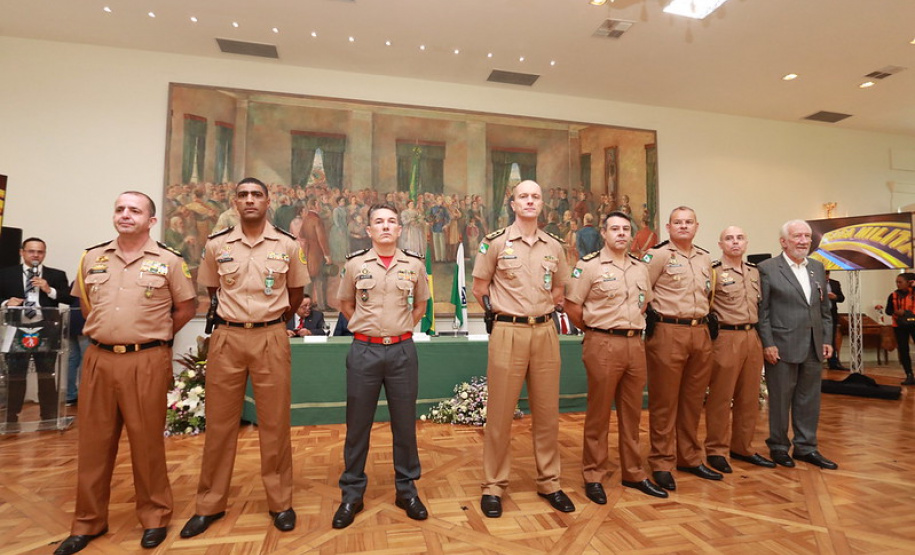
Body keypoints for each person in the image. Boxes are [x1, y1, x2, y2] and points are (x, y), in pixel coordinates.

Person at [54, 192, 196, 555]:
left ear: (151, 221)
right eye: (120, 209)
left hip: (146, 360)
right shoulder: (91, 258)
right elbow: (86, 306)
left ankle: (154, 516)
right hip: (99, 359)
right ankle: (88, 521)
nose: (125, 215)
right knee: (93, 445)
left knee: (147, 444)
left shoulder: (169, 261)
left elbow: (186, 308)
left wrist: (155, 337)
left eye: (135, 210)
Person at [181, 177, 308, 539]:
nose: (250, 200)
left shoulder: (287, 244)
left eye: (256, 195)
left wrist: (273, 321)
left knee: (275, 423)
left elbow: (295, 293)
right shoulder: (216, 245)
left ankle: (280, 502)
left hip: (271, 336)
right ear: (234, 203)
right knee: (220, 424)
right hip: (227, 336)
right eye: (243, 195)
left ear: (267, 202)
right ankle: (210, 503)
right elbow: (213, 289)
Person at [471, 180, 572, 518]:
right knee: (500, 415)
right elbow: (480, 288)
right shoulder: (495, 243)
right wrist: (503, 314)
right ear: (513, 204)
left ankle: (550, 482)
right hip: (508, 332)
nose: (529, 201)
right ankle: (493, 485)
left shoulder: (554, 246)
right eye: (523, 197)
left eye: (535, 197)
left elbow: (559, 289)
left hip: (544, 332)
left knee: (547, 413)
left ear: (542, 204)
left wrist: (540, 308)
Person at [331, 202, 430, 529]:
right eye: (379, 222)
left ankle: (407, 490)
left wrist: (400, 327)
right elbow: (345, 303)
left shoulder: (414, 264)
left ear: (399, 229)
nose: (385, 226)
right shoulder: (355, 264)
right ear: (369, 230)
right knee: (358, 425)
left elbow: (420, 305)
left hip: (402, 351)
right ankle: (352, 493)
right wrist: (367, 327)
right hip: (365, 351)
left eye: (391, 222)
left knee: (404, 424)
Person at [564, 211, 668, 503]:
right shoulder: (588, 266)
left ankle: (633, 472)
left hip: (635, 344)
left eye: (625, 229)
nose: (621, 233)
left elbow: (643, 304)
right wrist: (596, 329)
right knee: (598, 414)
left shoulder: (640, 268)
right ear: (604, 233)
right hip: (603, 342)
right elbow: (573, 307)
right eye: (615, 229)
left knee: (632, 414)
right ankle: (594, 475)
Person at [642, 206, 720, 492]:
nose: (684, 226)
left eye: (689, 222)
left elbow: (708, 294)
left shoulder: (705, 257)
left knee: (693, 400)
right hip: (668, 331)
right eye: (678, 222)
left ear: (696, 226)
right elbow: (642, 291)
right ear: (668, 227)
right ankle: (662, 461)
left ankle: (689, 457)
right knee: (665, 401)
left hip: (700, 331)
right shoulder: (657, 255)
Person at [757, 219, 838, 470]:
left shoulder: (817, 267)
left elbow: (824, 309)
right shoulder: (767, 269)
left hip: (814, 345)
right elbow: (763, 312)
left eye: (807, 236)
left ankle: (806, 447)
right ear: (783, 241)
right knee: (780, 400)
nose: (803, 241)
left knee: (809, 400)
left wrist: (826, 339)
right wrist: (768, 343)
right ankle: (779, 447)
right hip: (781, 346)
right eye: (797, 236)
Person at [704, 226, 774, 474]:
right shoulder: (713, 272)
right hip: (726, 337)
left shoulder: (755, 272)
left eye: (740, 238)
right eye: (729, 238)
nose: (735, 242)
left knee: (749, 397)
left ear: (746, 243)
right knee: (721, 397)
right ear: (720, 244)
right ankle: (716, 450)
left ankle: (742, 447)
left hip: (752, 336)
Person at [0, 237, 71, 424]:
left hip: (46, 329)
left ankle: (48, 415)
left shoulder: (56, 275)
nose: (35, 255)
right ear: (22, 252)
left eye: (40, 252)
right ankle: (11, 415)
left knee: (47, 373)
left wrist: (49, 290)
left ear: (44, 254)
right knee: (16, 374)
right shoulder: (5, 274)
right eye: (31, 251)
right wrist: (6, 303)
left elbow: (68, 298)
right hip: (16, 328)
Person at [299, 198, 332, 310]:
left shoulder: (306, 219)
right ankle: (322, 305)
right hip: (317, 253)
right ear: (313, 206)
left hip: (308, 253)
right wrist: (327, 255)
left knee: (309, 280)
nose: (320, 206)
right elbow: (322, 239)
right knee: (320, 279)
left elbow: (301, 235)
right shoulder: (317, 220)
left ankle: (306, 304)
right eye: (318, 204)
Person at [884, 272, 915, 385]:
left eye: (900, 282)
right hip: (900, 326)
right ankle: (909, 375)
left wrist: (906, 312)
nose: (898, 284)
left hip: (914, 324)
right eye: (896, 282)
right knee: (903, 350)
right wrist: (896, 312)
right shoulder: (893, 295)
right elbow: (888, 311)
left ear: (908, 282)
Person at [824, 271, 848, 370]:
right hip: (818, 314)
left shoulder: (835, 283)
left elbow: (842, 298)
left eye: (827, 274)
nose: (826, 276)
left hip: (831, 314)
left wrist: (835, 297)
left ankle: (833, 363)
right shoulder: (814, 282)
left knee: (832, 338)